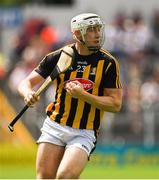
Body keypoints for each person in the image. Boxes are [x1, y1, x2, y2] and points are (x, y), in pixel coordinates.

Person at [18, 13, 123, 179]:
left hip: (84, 131)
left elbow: (116, 104)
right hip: (55, 125)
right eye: (91, 30)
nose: (97, 34)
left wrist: (84, 95)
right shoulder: (59, 56)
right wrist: (28, 93)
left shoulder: (108, 62)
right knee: (44, 177)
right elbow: (25, 83)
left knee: (65, 176)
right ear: (77, 34)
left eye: (98, 29)